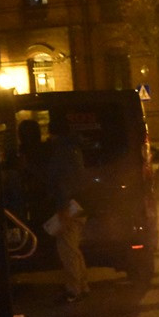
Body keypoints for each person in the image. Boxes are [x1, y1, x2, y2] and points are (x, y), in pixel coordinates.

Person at [46, 117, 90, 303]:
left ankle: (74, 290)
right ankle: (83, 286)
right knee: (74, 248)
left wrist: (63, 207)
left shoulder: (62, 152)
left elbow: (62, 181)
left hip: (70, 206)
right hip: (79, 204)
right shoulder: (74, 149)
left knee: (67, 249)